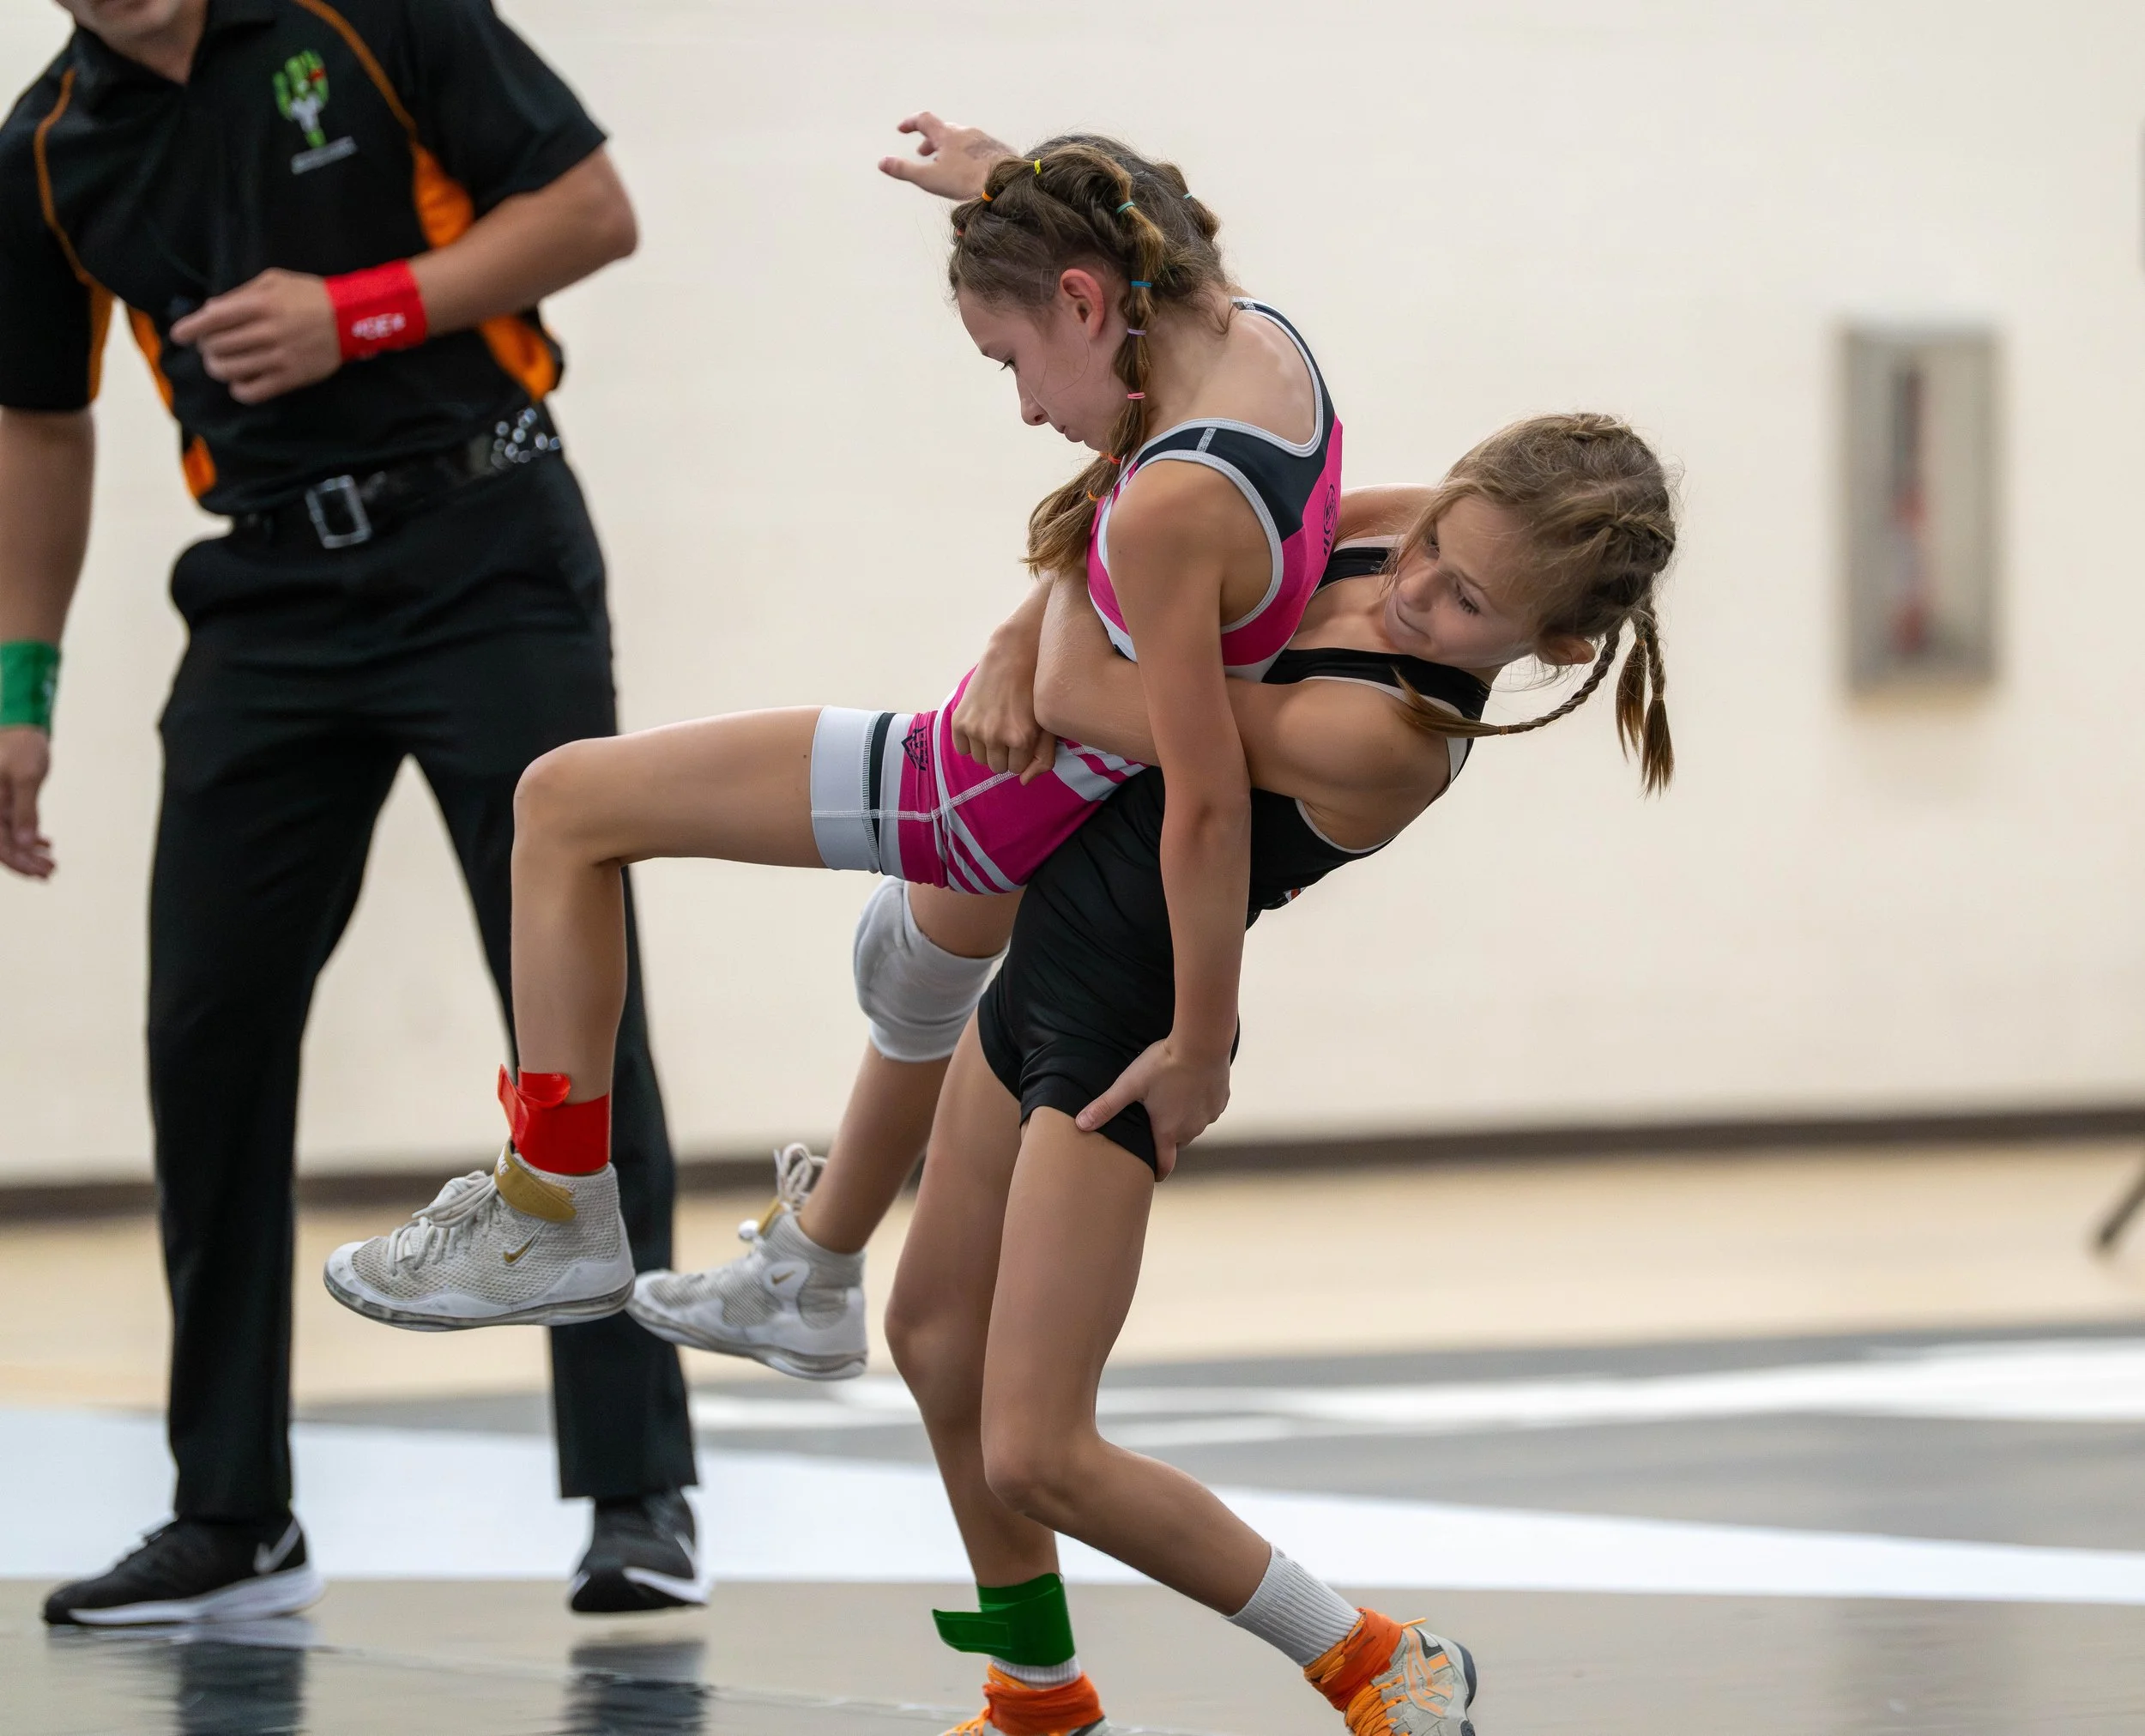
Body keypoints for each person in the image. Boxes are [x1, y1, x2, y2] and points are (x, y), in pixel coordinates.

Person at [320, 129, 1346, 1340]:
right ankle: (813, 1269)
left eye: (1009, 359)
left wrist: (1201, 1041)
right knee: (912, 974)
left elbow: (1209, 798)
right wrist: (1003, 184)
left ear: (1082, 301)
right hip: (1048, 782)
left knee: (559, 805)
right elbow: (1126, 254)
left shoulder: (1175, 499)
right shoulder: (1258, 345)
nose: (1023, 406)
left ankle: (551, 1205)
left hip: (974, 788)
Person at [0, 0, 698, 1624]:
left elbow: (593, 208)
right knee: (206, 1030)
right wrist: (19, 698)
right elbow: (42, 420)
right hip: (263, 598)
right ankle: (233, 1512)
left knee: (570, 1013)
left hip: (487, 542)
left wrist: (361, 313)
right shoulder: (44, 149)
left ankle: (634, 1492)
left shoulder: (372, 16)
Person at [894, 414, 1679, 1736]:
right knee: (927, 1335)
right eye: (1434, 544)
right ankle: (1037, 1694)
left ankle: (1373, 1655)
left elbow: (1106, 689)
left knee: (1039, 1447)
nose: (1416, 586)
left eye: (1469, 598)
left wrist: (1204, 1042)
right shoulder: (1394, 519)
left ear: (1558, 648)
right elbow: (1136, 550)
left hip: (1123, 1027)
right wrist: (1031, 614)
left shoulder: (1396, 740)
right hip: (1045, 965)